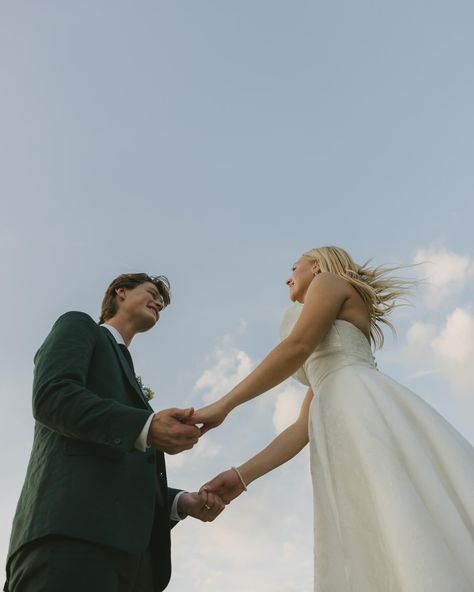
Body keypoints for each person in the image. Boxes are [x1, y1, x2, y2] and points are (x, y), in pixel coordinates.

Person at [192, 247, 474, 592]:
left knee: (394, 508)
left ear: (317, 265)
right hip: (337, 418)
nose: (287, 277)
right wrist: (240, 477)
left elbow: (298, 345)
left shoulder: (328, 281)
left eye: (294, 267)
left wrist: (223, 406)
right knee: (375, 525)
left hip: (362, 407)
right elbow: (299, 429)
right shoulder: (326, 377)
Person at [4, 273, 225, 592]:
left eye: (161, 301)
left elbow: (120, 469)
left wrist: (180, 503)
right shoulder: (79, 326)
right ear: (120, 292)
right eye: (151, 292)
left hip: (134, 566)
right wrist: (146, 427)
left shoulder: (130, 378)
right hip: (72, 540)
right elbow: (52, 396)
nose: (159, 302)